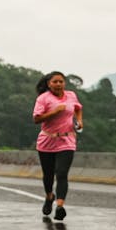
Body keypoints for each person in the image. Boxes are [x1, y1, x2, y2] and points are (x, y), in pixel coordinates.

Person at [32, 71, 83, 221]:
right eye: (55, 82)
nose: (59, 84)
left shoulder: (71, 95)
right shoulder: (43, 98)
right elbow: (36, 119)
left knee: (61, 173)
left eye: (61, 81)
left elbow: (78, 108)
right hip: (47, 141)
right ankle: (49, 197)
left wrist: (79, 121)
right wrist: (54, 112)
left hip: (67, 141)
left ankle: (60, 206)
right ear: (49, 84)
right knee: (48, 175)